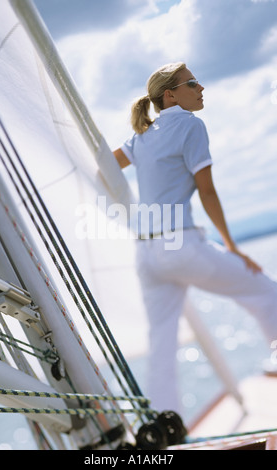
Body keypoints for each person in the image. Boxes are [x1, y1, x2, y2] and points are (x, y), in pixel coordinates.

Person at [113, 62, 277, 414]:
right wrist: (232, 248)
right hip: (181, 246)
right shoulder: (190, 124)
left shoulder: (142, 134)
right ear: (170, 94)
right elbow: (208, 192)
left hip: (148, 254)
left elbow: (107, 166)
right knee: (266, 291)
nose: (201, 88)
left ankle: (165, 424)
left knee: (161, 343)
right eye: (193, 83)